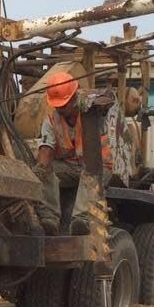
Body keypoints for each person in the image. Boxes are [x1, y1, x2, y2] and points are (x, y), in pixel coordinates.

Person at [35, 70, 123, 235]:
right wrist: (39, 171)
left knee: (87, 174)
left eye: (64, 105)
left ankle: (81, 220)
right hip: (70, 167)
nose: (60, 109)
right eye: (57, 105)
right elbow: (46, 149)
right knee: (47, 170)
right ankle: (49, 219)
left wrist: (95, 104)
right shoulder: (51, 121)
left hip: (99, 165)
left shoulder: (92, 111)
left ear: (74, 98)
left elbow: (109, 101)